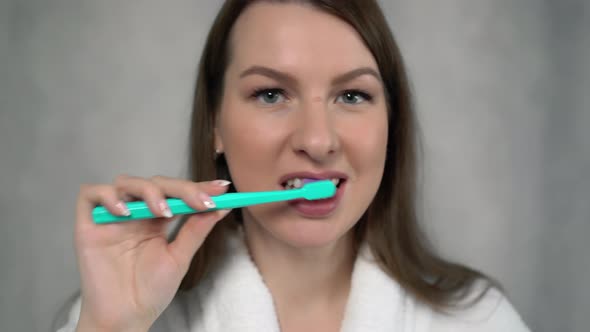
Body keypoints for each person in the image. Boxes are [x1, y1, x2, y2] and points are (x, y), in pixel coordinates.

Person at [57, 1, 530, 331]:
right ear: (214, 125)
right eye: (270, 94)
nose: (318, 140)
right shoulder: (120, 316)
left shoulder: (479, 320)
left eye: (352, 95)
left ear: (391, 121)